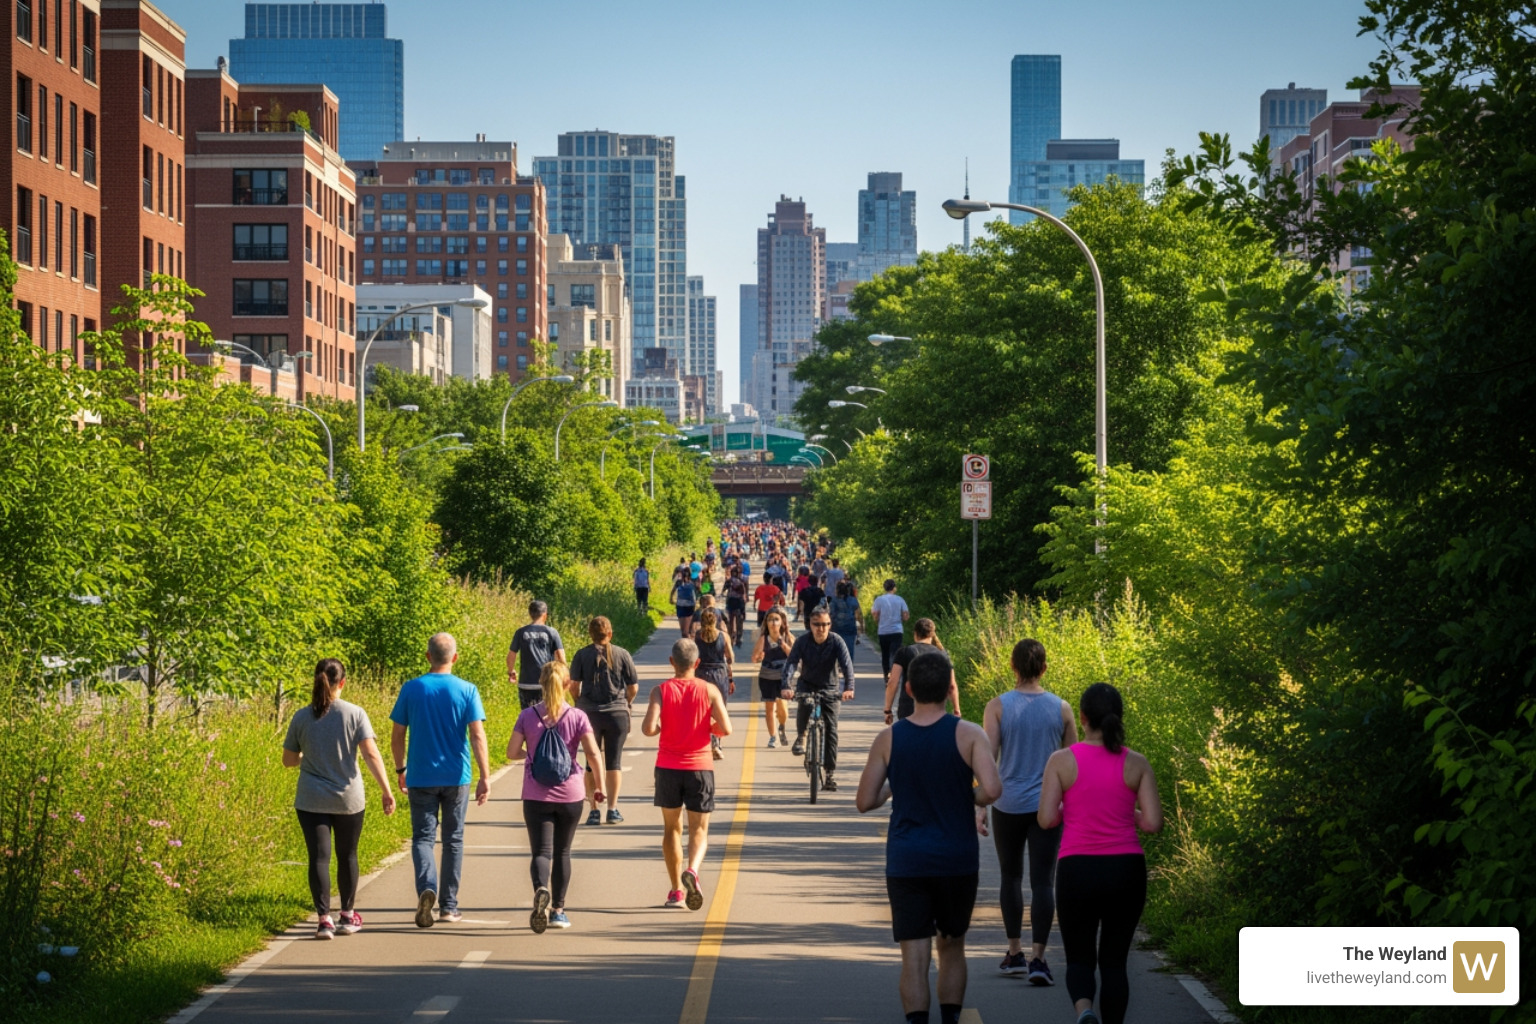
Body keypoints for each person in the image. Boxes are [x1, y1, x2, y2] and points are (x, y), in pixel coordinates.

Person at [856, 650, 1003, 1024]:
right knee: (952, 947)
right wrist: (970, 797)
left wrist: (894, 788)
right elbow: (993, 788)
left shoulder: (889, 738)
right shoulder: (969, 734)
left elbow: (864, 801)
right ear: (947, 689)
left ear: (908, 688)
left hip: (907, 861)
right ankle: (951, 1019)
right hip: (956, 859)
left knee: (914, 956)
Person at [1038, 683, 1164, 1024]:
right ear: (1118, 718)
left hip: (1077, 869)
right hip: (1126, 870)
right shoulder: (1136, 763)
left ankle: (1085, 1012)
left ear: (1082, 717)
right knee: (1114, 962)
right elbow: (1152, 823)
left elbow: (1047, 818)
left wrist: (1075, 809)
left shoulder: (1062, 761)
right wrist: (1127, 814)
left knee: (1079, 958)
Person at [979, 639, 1077, 982]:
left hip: (1007, 802)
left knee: (1010, 876)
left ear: (1013, 666)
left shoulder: (997, 707)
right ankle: (1039, 958)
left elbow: (988, 759)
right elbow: (1073, 762)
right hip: (1048, 807)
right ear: (1045, 668)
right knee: (1043, 881)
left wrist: (980, 804)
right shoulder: (1062, 709)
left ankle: (1015, 952)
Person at [283, 658, 395, 939]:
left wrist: (309, 754)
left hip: (311, 799)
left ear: (316, 680)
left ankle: (323, 921)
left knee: (319, 858)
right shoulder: (355, 714)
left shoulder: (301, 716)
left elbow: (288, 760)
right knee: (348, 855)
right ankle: (347, 916)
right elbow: (370, 754)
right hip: (348, 798)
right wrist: (386, 790)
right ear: (342, 682)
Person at [390, 633, 491, 928]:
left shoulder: (412, 688)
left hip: (421, 775)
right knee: (453, 840)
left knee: (422, 838)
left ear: (427, 656)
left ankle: (426, 889)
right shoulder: (467, 690)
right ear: (455, 658)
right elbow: (476, 735)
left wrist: (400, 770)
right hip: (456, 776)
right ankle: (448, 906)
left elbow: (398, 736)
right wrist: (485, 776)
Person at [507, 661, 605, 933]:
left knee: (541, 851)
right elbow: (594, 753)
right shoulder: (577, 716)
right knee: (563, 852)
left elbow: (511, 751)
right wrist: (599, 786)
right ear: (567, 684)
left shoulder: (528, 716)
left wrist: (532, 755)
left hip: (536, 794)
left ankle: (541, 889)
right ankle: (559, 911)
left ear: (541, 682)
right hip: (570, 793)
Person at [642, 638, 732, 910]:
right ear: (697, 663)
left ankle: (676, 892)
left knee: (671, 828)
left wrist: (662, 729)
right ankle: (692, 870)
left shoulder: (660, 691)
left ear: (672, 662)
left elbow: (648, 728)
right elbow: (725, 728)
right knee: (699, 829)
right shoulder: (710, 690)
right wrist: (708, 728)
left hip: (668, 767)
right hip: (699, 768)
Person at [569, 616, 640, 825]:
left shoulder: (582, 655)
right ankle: (612, 808)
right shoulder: (622, 654)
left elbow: (574, 686)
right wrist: (626, 702)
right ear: (610, 633)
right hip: (617, 714)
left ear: (590, 634)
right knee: (613, 762)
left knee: (591, 761)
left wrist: (578, 702)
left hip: (589, 714)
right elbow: (633, 687)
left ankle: (593, 809)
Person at [780, 608, 856, 791]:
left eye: (825, 624)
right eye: (817, 625)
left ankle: (829, 773)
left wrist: (849, 688)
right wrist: (786, 685)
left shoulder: (836, 641)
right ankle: (801, 737)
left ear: (830, 625)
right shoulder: (802, 642)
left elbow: (846, 665)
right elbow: (791, 664)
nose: (821, 628)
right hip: (807, 684)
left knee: (831, 729)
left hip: (830, 688)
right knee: (804, 706)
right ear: (810, 625)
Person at [886, 619, 961, 724]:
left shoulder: (904, 652)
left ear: (915, 634)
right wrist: (956, 709)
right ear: (932, 634)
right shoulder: (943, 654)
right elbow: (952, 685)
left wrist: (888, 710)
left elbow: (893, 682)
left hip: (908, 708)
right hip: (936, 709)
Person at [691, 608, 736, 760]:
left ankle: (705, 741)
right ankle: (717, 743)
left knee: (703, 710)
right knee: (719, 709)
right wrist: (730, 677)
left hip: (701, 674)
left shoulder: (697, 636)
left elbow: (692, 656)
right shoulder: (724, 636)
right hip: (719, 675)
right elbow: (730, 658)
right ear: (716, 620)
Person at [508, 601, 566, 712]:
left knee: (527, 715)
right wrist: (563, 677)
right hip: (547, 682)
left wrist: (511, 672)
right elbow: (561, 657)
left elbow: (511, 655)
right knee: (548, 715)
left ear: (530, 614)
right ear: (545, 615)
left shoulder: (520, 632)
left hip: (526, 683)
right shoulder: (552, 632)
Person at [752, 608, 793, 749]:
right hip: (766, 676)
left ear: (782, 622)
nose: (773, 623)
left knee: (783, 710)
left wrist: (782, 642)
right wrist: (759, 657)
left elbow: (794, 656)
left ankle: (781, 725)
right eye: (770, 619)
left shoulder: (788, 637)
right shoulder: (763, 639)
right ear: (766, 622)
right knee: (769, 708)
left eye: (776, 619)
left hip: (783, 677)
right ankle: (773, 737)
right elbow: (754, 658)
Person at [871, 578, 911, 679]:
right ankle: (893, 674)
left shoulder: (879, 599)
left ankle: (886, 675)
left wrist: (878, 621)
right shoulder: (900, 599)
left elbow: (875, 615)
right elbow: (906, 616)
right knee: (895, 653)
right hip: (896, 631)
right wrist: (901, 618)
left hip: (883, 631)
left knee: (885, 654)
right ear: (894, 588)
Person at [826, 580, 861, 654]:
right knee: (849, 650)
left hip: (836, 629)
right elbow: (858, 614)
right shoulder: (853, 600)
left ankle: (837, 664)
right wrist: (860, 629)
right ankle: (848, 664)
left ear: (837, 590)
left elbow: (830, 615)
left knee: (836, 650)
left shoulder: (833, 601)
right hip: (850, 628)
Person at [723, 565, 749, 647]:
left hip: (731, 601)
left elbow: (723, 590)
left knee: (731, 619)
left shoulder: (729, 580)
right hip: (740, 602)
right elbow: (746, 590)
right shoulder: (744, 579)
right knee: (739, 620)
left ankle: (731, 637)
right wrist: (746, 597)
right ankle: (738, 637)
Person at [671, 572, 700, 637]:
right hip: (681, 606)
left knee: (685, 631)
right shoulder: (679, 582)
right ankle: (686, 642)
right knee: (683, 631)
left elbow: (698, 589)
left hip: (689, 607)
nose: (685, 578)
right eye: (684, 576)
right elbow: (673, 590)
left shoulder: (692, 582)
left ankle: (688, 644)